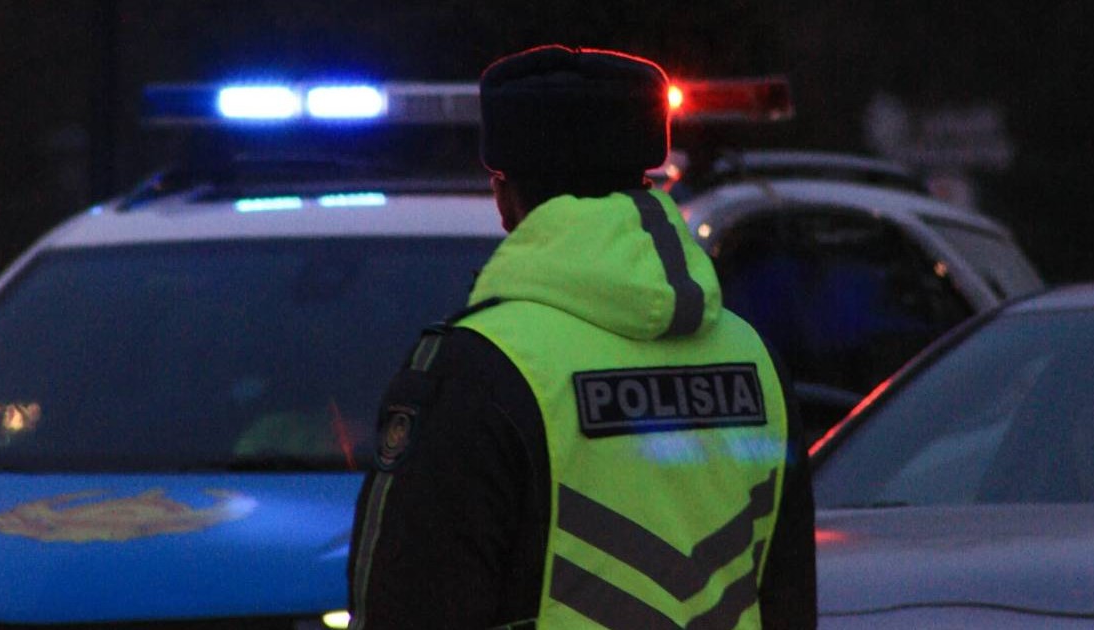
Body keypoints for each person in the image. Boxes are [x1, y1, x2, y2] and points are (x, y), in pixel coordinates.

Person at [348, 44, 816, 629]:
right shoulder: (753, 359)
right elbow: (788, 600)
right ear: (648, 182)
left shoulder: (479, 368)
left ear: (504, 198)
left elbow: (409, 605)